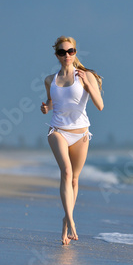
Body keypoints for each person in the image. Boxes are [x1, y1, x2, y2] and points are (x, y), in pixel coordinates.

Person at [41, 36, 104, 245]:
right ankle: (71, 219)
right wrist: (46, 108)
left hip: (81, 134)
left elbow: (100, 105)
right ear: (56, 55)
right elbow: (53, 103)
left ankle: (65, 224)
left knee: (75, 179)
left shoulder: (86, 76)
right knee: (66, 172)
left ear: (75, 52)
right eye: (62, 52)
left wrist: (88, 83)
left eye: (70, 51)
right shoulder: (50, 80)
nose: (67, 55)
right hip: (58, 130)